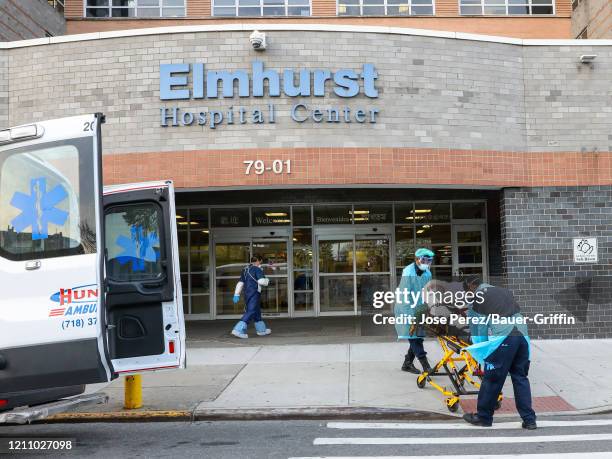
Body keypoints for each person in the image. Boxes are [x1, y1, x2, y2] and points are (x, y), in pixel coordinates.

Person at [462, 276, 537, 429]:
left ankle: (483, 417)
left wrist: (482, 349)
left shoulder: (479, 297)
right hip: (522, 334)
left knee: (492, 378)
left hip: (505, 337)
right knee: (520, 377)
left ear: (471, 286)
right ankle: (529, 420)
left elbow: (480, 327)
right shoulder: (503, 291)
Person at [396, 248, 435, 374]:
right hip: (406, 308)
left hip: (420, 308)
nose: (427, 263)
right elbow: (404, 296)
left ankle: (407, 363)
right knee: (414, 337)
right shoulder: (408, 273)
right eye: (424, 260)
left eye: (429, 260)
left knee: (419, 337)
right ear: (417, 259)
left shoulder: (427, 273)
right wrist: (411, 317)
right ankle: (426, 366)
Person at [230, 254, 272, 339]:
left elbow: (240, 283)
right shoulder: (257, 269)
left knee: (256, 311)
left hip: (247, 293)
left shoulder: (245, 270)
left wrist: (236, 294)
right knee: (251, 311)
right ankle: (238, 329)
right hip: (254, 292)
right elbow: (261, 281)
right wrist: (267, 281)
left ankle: (261, 330)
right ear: (260, 261)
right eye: (261, 261)